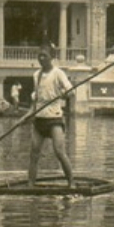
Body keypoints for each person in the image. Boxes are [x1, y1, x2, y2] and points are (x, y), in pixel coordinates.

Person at [24, 46, 74, 188]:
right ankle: (30, 184)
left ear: (51, 57)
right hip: (39, 118)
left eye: (44, 55)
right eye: (39, 55)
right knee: (34, 153)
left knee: (59, 152)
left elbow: (71, 91)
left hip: (54, 118)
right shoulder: (36, 75)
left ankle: (71, 182)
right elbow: (35, 99)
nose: (41, 58)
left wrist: (64, 94)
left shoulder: (58, 73)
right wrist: (28, 115)